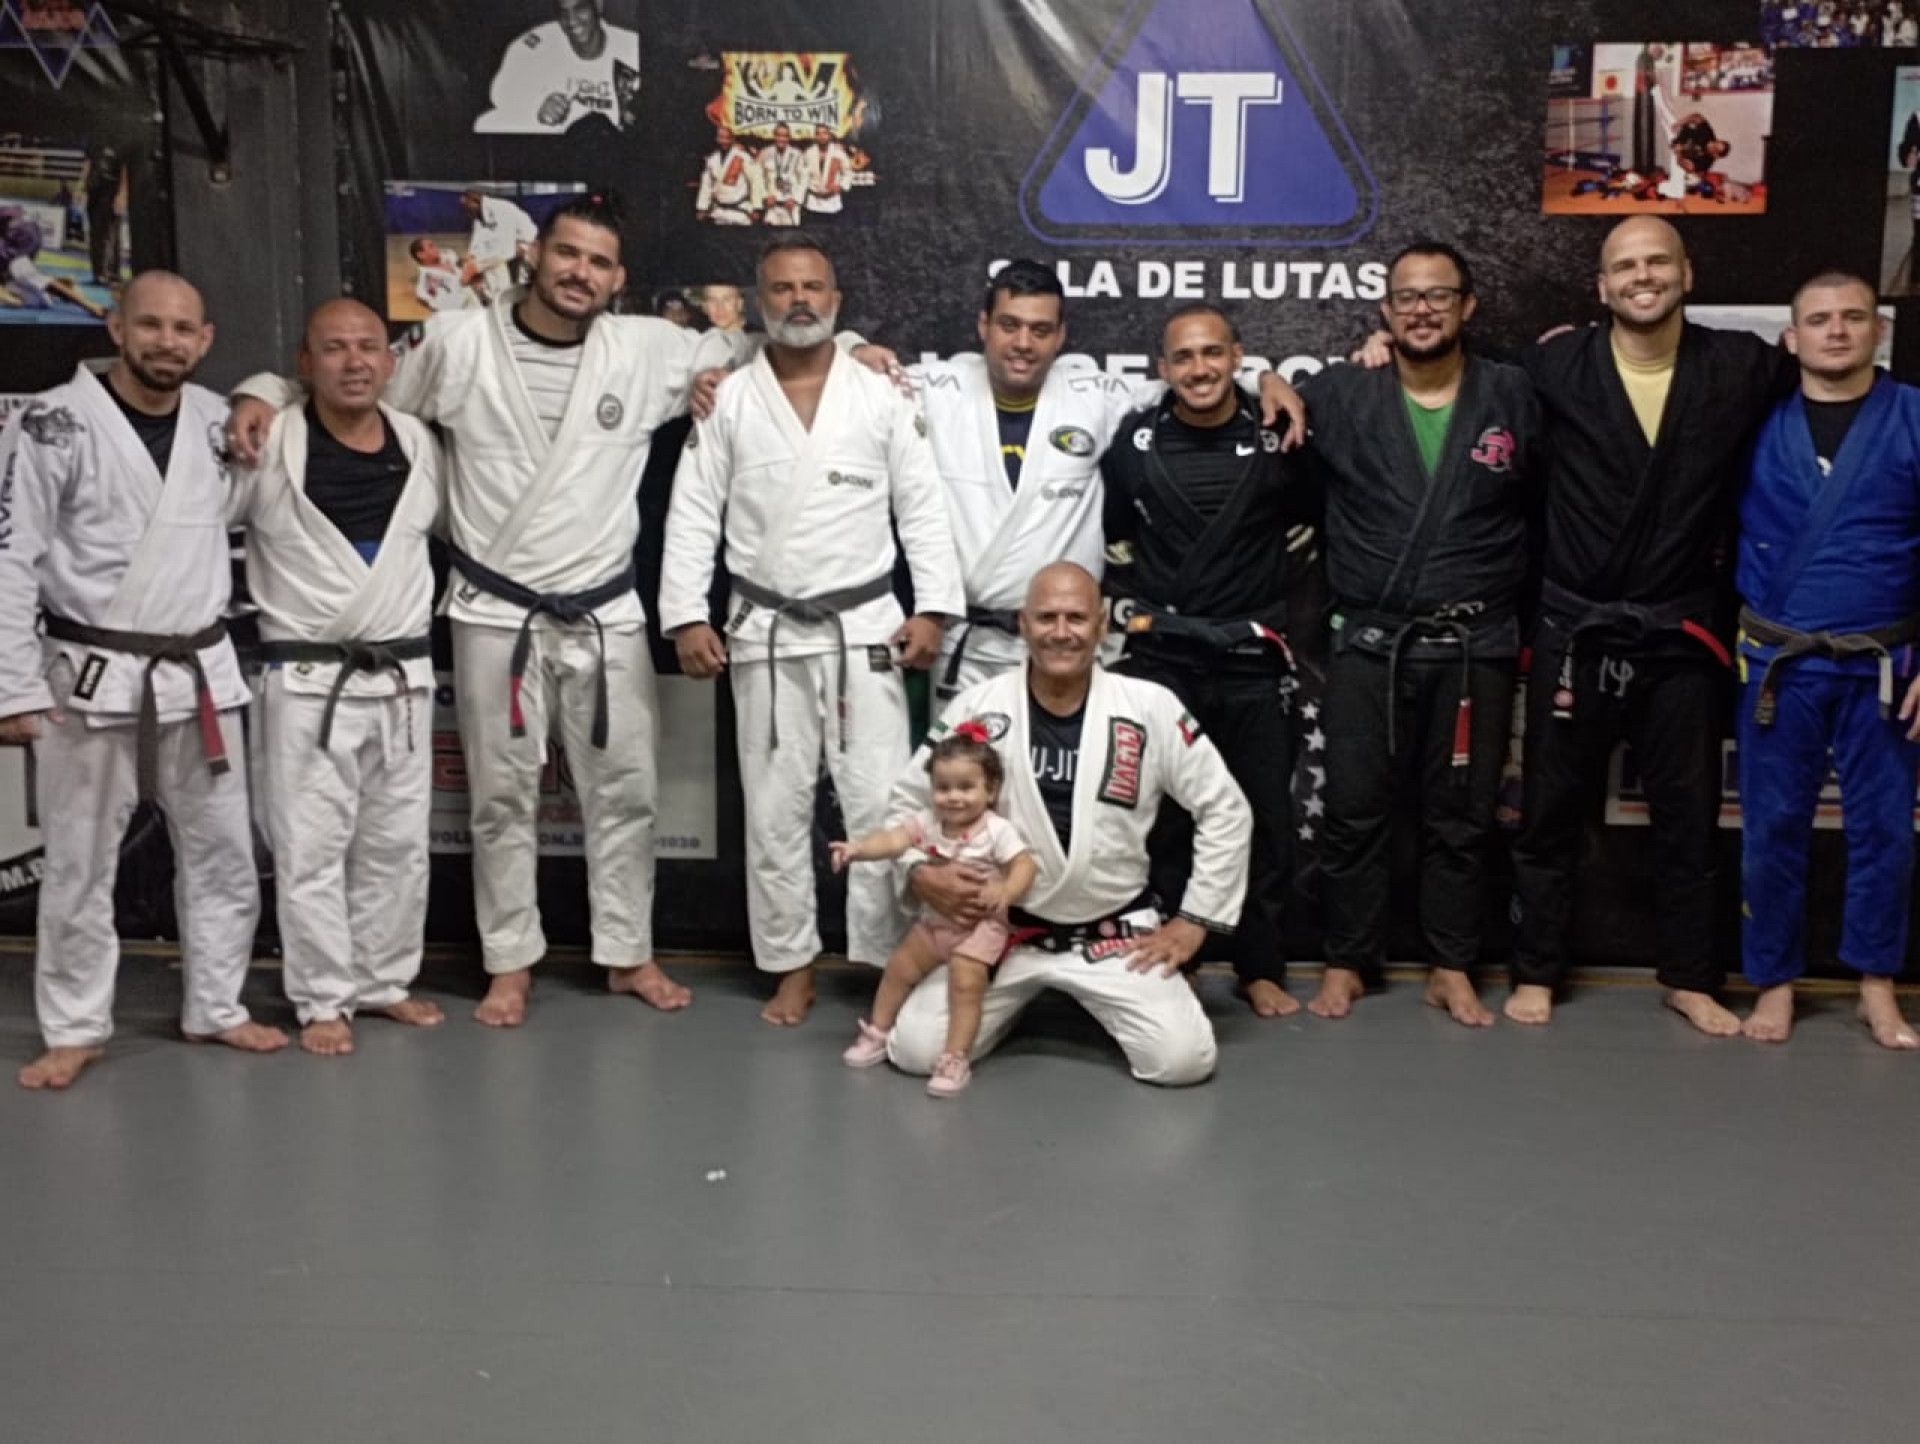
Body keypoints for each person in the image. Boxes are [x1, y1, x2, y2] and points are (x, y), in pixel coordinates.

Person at [228, 195, 732, 1028]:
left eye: (600, 263)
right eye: (568, 254)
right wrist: (259, 388)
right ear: (534, 253)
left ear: (620, 279)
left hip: (607, 610)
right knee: (500, 799)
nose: (580, 273)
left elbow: (759, 346)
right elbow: (352, 376)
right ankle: (511, 961)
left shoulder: (649, 349)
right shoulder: (456, 341)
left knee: (628, 793)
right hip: (497, 610)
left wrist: (858, 349)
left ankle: (628, 952)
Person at [660, 236, 963, 1026]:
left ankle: (881, 956)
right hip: (762, 629)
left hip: (865, 626)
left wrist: (929, 606)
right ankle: (790, 963)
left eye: (814, 287)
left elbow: (922, 507)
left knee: (880, 805)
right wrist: (689, 613)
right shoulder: (726, 397)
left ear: (837, 299)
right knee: (774, 809)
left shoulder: (881, 392)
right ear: (759, 302)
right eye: (784, 287)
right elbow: (692, 512)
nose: (800, 299)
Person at [0, 272, 288, 1090]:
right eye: (150, 326)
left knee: (227, 853)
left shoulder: (215, 421)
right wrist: (13, 687)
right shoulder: (55, 422)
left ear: (205, 340)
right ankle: (76, 1024)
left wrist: (257, 392)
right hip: (89, 675)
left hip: (198, 674)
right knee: (81, 863)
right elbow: (11, 557)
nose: (167, 342)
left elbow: (290, 392)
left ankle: (218, 1005)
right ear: (117, 328)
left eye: (183, 329)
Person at [1507, 217, 1792, 1033]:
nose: (1642, 276)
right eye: (1624, 266)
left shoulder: (1741, 365)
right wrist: (1375, 357)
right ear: (1601, 286)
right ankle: (1536, 971)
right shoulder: (1555, 364)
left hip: (1681, 634)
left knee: (1689, 817)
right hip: (1576, 627)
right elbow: (1463, 392)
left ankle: (1690, 976)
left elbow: (1838, 379)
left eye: (1656, 261)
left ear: (1686, 272)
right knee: (1550, 815)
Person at [884, 562, 1251, 1086]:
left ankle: (1097, 995)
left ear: (1102, 625)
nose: (1061, 632)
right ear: (1022, 624)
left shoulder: (1148, 706)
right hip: (999, 933)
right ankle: (1014, 1003)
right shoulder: (979, 707)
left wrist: (1195, 920)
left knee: (1182, 1062)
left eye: (1076, 618)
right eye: (1047, 617)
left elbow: (1226, 808)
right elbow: (907, 800)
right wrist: (920, 871)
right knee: (916, 1051)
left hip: (1113, 934)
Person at [1301, 243, 1540, 1027]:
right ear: (1384, 311)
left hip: (1476, 647)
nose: (1422, 310)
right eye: (1406, 297)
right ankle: (1347, 959)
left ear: (1468, 305)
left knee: (1464, 817)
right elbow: (1265, 410)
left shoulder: (1516, 394)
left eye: (1439, 295)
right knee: (1355, 810)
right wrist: (1271, 380)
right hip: (1371, 643)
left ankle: (1451, 963)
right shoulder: (1340, 392)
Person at [904, 259, 1304, 702]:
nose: (1023, 343)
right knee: (969, 769)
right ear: (984, 326)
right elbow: (846, 378)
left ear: (1061, 336)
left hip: (1067, 644)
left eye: (1040, 330)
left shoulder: (1092, 396)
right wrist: (859, 349)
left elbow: (1184, 384)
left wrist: (1259, 377)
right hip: (966, 644)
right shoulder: (937, 387)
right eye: (1009, 325)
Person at [227, 298, 447, 1057]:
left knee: (397, 843)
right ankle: (324, 995)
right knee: (312, 848)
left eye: (368, 348)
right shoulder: (268, 439)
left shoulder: (419, 441)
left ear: (392, 361)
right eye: (334, 348)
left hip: (402, 677)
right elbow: (204, 507)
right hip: (307, 679)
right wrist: (255, 393)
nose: (354, 361)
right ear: (303, 363)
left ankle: (383, 980)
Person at [1102, 303, 1317, 1019]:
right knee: (1163, 817)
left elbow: (1311, 527)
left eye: (1212, 354)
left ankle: (1258, 964)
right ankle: (1177, 956)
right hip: (1163, 660)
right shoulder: (1133, 444)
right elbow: (1116, 539)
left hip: (1253, 657)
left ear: (1238, 358)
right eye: (1183, 358)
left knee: (1261, 817)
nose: (1199, 369)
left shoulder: (1279, 435)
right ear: (1163, 369)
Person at [1732, 271, 1920, 1049]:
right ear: (1791, 338)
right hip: (1779, 658)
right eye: (1818, 320)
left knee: (1886, 830)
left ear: (1878, 328)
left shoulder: (1913, 418)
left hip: (1886, 661)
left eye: (1851, 318)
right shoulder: (1752, 420)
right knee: (1772, 827)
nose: (1835, 331)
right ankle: (1774, 982)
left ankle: (1877, 984)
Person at [832, 723, 1037, 1095]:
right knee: (898, 968)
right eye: (943, 788)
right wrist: (859, 848)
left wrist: (1006, 889)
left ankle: (955, 1057)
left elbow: (1025, 865)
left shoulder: (997, 830)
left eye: (966, 787)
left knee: (965, 982)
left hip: (980, 928)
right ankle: (878, 1031)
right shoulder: (928, 822)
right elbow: (894, 839)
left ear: (990, 791)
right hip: (934, 924)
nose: (953, 798)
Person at [473, 0, 640, 135]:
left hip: (615, 149)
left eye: (580, 8)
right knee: (487, 123)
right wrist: (537, 106)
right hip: (558, 147)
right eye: (563, 12)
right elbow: (501, 91)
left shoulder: (633, 47)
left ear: (598, 5)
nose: (571, 20)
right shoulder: (537, 44)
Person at [460, 190, 537, 306]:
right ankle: (492, 300)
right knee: (484, 265)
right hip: (509, 252)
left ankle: (501, 302)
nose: (465, 211)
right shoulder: (479, 216)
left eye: (467, 207)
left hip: (526, 247)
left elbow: (506, 249)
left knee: (495, 266)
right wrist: (470, 256)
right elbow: (478, 243)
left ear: (476, 201)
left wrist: (477, 266)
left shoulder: (501, 209)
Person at [695, 125, 764, 225]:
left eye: (727, 138)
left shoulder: (743, 157)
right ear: (716, 139)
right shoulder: (712, 159)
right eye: (721, 137)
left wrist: (756, 207)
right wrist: (702, 208)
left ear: (732, 139)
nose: (724, 141)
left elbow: (755, 181)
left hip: (740, 211)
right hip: (719, 211)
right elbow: (706, 186)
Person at [80, 141, 124, 287]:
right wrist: (81, 188)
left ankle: (109, 273)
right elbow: (87, 164)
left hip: (111, 189)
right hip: (94, 190)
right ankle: (100, 272)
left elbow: (125, 169)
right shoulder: (95, 141)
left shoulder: (121, 142)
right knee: (96, 232)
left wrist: (122, 194)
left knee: (109, 233)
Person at [757, 124, 804, 226]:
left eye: (785, 136)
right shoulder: (764, 153)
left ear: (789, 137)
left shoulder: (797, 154)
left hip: (790, 204)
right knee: (770, 239)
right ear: (774, 136)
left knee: (791, 239)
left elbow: (803, 180)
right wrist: (765, 196)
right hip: (771, 205)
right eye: (778, 135)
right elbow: (758, 179)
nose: (781, 139)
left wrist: (795, 198)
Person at [409, 237, 472, 314]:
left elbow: (459, 262)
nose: (436, 248)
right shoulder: (428, 279)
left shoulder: (447, 257)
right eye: (431, 246)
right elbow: (442, 304)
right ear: (421, 255)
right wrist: (465, 279)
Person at [802, 125, 852, 216]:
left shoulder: (838, 153)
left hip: (832, 203)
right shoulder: (808, 153)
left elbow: (847, 173)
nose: (821, 137)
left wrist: (840, 186)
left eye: (824, 133)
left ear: (829, 135)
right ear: (815, 136)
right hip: (813, 202)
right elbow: (803, 175)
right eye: (818, 134)